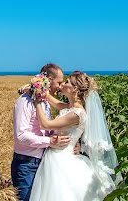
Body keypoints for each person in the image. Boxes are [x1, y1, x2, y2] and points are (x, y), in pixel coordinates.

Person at [29, 71, 118, 201]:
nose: (63, 84)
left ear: (74, 89)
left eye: (67, 82)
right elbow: (57, 104)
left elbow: (46, 125)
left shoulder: (77, 114)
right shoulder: (70, 108)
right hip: (57, 155)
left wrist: (37, 102)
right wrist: (39, 89)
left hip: (62, 158)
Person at [11, 63, 71, 201]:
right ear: (49, 80)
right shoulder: (25, 101)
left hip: (44, 163)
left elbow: (46, 128)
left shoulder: (43, 101)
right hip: (26, 165)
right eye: (59, 82)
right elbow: (21, 135)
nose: (60, 86)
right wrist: (50, 142)